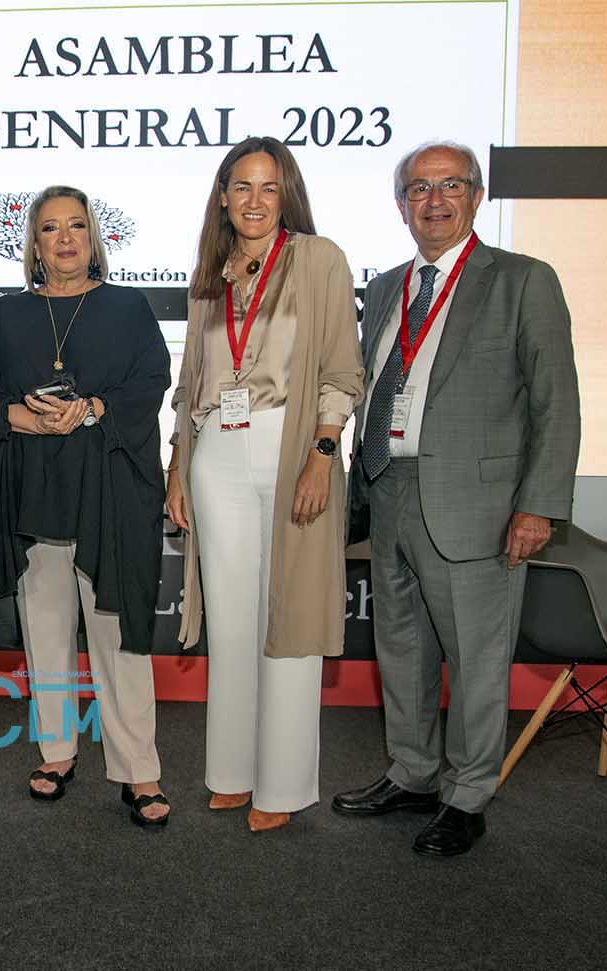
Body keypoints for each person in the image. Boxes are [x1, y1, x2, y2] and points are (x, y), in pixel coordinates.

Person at [332, 141, 580, 856]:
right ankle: (411, 770)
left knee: (475, 657)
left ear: (475, 196)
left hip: (481, 503)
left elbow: (554, 403)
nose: (433, 200)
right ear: (400, 204)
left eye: (450, 185)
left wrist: (537, 505)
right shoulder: (385, 287)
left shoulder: (521, 280)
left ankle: (467, 792)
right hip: (389, 489)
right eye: (418, 189)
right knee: (400, 646)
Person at [164, 137, 364, 832]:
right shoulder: (210, 274)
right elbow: (190, 383)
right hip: (215, 450)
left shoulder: (319, 260)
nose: (253, 200)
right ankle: (232, 772)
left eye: (268, 187)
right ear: (222, 195)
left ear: (287, 195)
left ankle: (280, 786)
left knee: (289, 619)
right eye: (240, 186)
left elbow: (342, 369)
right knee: (233, 618)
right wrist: (177, 465)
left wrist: (321, 452)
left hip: (290, 447)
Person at [0, 185, 172, 828]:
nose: (64, 239)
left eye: (76, 226)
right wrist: (23, 419)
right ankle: (57, 751)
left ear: (94, 237)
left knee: (118, 631)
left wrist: (95, 409)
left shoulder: (128, 308)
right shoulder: (4, 317)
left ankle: (139, 768)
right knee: (46, 629)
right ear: (34, 243)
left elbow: (151, 383)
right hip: (32, 491)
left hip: (109, 489)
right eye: (50, 228)